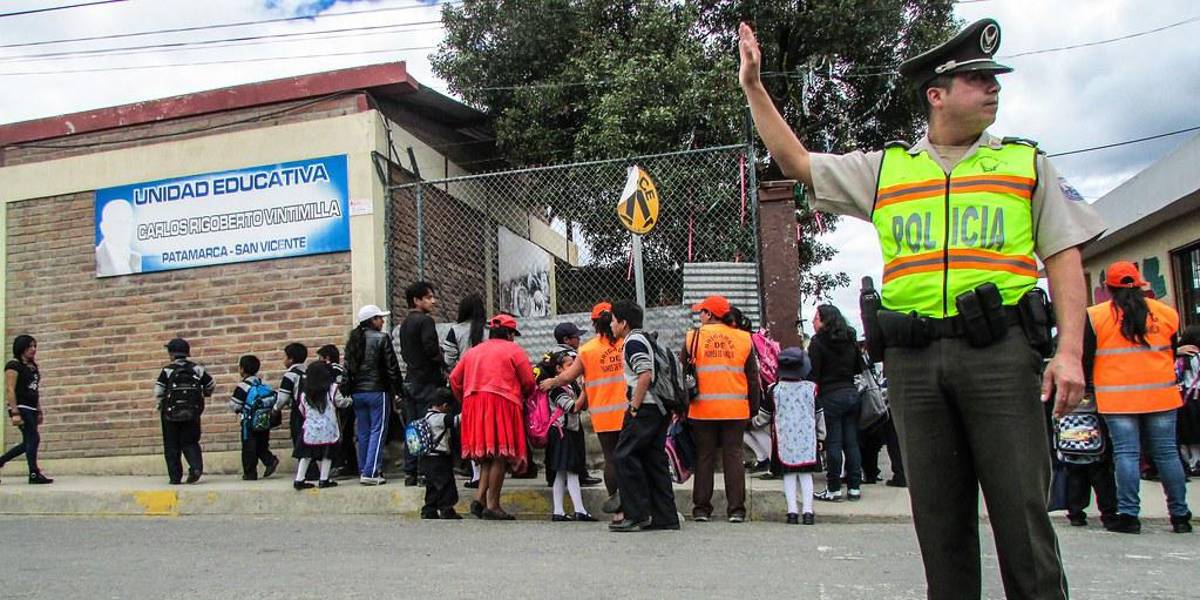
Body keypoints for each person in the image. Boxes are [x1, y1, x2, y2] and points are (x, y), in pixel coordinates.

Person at [740, 16, 1106, 598]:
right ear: (937, 94)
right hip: (913, 364)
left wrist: (1069, 353)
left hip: (1001, 357)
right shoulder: (889, 170)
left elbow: (1064, 255)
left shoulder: (1023, 165)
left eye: (993, 78)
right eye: (978, 78)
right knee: (939, 525)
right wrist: (754, 88)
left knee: (1023, 517)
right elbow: (799, 163)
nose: (994, 87)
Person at [1085, 261, 1192, 534]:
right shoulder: (1166, 314)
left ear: (1108, 288)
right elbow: (1172, 351)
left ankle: (1129, 516)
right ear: (1141, 284)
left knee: (1126, 455)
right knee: (1167, 454)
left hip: (1117, 399)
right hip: (1162, 396)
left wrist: (1087, 389)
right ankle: (1180, 516)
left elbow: (1086, 359)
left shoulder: (1096, 317)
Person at [541, 302, 626, 521]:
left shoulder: (587, 350)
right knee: (632, 460)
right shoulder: (627, 343)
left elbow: (568, 377)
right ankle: (637, 507)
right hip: (630, 412)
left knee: (611, 460)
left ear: (594, 323)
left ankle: (618, 513)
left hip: (604, 414)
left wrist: (550, 382)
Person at [450, 314, 536, 520]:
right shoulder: (514, 350)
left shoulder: (473, 351)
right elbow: (528, 381)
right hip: (501, 403)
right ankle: (493, 505)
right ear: (509, 334)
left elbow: (454, 378)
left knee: (486, 456)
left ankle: (479, 499)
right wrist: (521, 395)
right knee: (500, 454)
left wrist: (465, 399)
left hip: (473, 404)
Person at [682, 295, 759, 523]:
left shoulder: (692, 338)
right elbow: (752, 379)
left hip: (702, 409)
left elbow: (683, 375)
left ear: (709, 314)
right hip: (735, 408)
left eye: (701, 312)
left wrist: (683, 408)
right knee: (733, 456)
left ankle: (702, 509)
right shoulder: (744, 339)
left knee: (704, 457)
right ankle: (736, 510)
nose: (699, 316)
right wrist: (752, 409)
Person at [608, 300, 678, 532]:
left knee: (623, 456)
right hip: (658, 409)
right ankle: (665, 516)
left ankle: (636, 514)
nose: (610, 325)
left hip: (646, 408)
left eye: (613, 320)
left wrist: (634, 407)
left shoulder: (633, 341)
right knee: (652, 459)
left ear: (623, 323)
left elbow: (645, 375)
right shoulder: (644, 338)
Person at [807, 305, 865, 502]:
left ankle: (833, 488)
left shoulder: (817, 342)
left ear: (825, 321)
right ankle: (855, 487)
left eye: (816, 318)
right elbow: (859, 367)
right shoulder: (850, 339)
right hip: (851, 394)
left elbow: (813, 373)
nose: (813, 322)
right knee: (852, 442)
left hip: (830, 396)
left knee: (833, 442)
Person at [345, 304, 405, 485]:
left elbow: (347, 369)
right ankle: (371, 472)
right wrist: (399, 390)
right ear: (372, 320)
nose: (382, 321)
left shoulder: (353, 340)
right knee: (378, 431)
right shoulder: (381, 338)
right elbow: (392, 368)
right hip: (378, 390)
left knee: (363, 431)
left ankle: (365, 468)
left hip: (358, 392)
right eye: (379, 318)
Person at [395, 281, 446, 487]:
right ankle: (426, 471)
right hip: (427, 381)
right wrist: (441, 361)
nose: (432, 301)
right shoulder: (426, 322)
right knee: (428, 425)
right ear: (417, 300)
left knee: (412, 427)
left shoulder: (404, 324)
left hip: (411, 380)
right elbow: (430, 347)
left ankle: (411, 472)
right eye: (428, 297)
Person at [538, 349, 597, 522]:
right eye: (570, 365)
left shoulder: (571, 385)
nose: (574, 368)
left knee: (562, 473)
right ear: (558, 369)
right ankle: (579, 510)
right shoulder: (555, 389)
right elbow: (573, 407)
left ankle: (559, 511)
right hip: (561, 433)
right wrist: (586, 388)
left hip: (569, 431)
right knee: (570, 471)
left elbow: (583, 406)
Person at [763, 347, 819, 525]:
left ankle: (792, 512)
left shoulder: (774, 390)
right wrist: (822, 436)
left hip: (784, 440)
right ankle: (808, 512)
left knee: (788, 476)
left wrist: (751, 423)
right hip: (807, 440)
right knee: (805, 475)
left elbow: (764, 415)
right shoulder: (811, 389)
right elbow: (819, 414)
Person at [442, 293, 488, 488]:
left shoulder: (455, 331)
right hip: (487, 385)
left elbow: (449, 360)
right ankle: (488, 469)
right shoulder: (488, 331)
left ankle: (475, 473)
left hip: (464, 386)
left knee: (467, 429)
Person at [154, 337, 214, 485]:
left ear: (171, 354)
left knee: (171, 445)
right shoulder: (197, 369)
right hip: (192, 413)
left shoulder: (167, 370)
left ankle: (175, 477)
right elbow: (210, 385)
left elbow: (158, 391)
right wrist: (205, 394)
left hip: (170, 414)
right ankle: (195, 468)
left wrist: (161, 403)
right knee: (191, 441)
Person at [1, 335, 52, 484]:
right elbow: (10, 389)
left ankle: (1, 461)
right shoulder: (13, 365)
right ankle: (34, 473)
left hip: (31, 407)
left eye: (35, 346)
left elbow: (35, 390)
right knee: (33, 439)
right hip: (21, 407)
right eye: (30, 346)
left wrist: (39, 410)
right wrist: (15, 412)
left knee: (28, 442)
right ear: (21, 348)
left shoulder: (32, 367)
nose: (33, 349)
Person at [292, 360, 351, 490]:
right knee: (328, 454)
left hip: (310, 429)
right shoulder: (332, 389)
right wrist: (350, 401)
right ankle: (324, 479)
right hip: (328, 428)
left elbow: (302, 410)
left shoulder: (304, 393)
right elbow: (340, 402)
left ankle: (299, 479)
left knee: (306, 454)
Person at [229, 354, 280, 481]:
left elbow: (235, 405)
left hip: (249, 424)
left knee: (249, 448)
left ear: (242, 369)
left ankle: (250, 473)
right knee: (262, 445)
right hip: (264, 422)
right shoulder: (263, 385)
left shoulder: (243, 387)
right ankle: (270, 460)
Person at [276, 343, 317, 482]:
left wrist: (275, 409)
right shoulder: (309, 372)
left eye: (285, 357)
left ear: (291, 359)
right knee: (310, 439)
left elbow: (282, 398)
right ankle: (314, 469)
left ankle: (306, 472)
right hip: (311, 411)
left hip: (297, 412)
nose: (284, 360)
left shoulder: (290, 375)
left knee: (299, 440)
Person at [419, 388, 462, 519]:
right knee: (447, 485)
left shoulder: (426, 416)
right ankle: (446, 509)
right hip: (440, 458)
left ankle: (429, 509)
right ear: (444, 405)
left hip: (427, 458)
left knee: (432, 486)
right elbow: (457, 421)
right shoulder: (440, 418)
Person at [317, 344, 357, 479]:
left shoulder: (332, 370)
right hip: (347, 405)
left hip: (339, 408)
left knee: (338, 436)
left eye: (320, 358)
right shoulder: (342, 369)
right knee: (346, 436)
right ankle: (351, 465)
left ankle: (340, 464)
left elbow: (334, 391)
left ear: (327, 358)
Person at [1175, 325, 1200, 476]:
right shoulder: (1196, 357)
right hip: (1196, 398)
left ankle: (1191, 462)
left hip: (1183, 399)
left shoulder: (1178, 358)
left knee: (1186, 434)